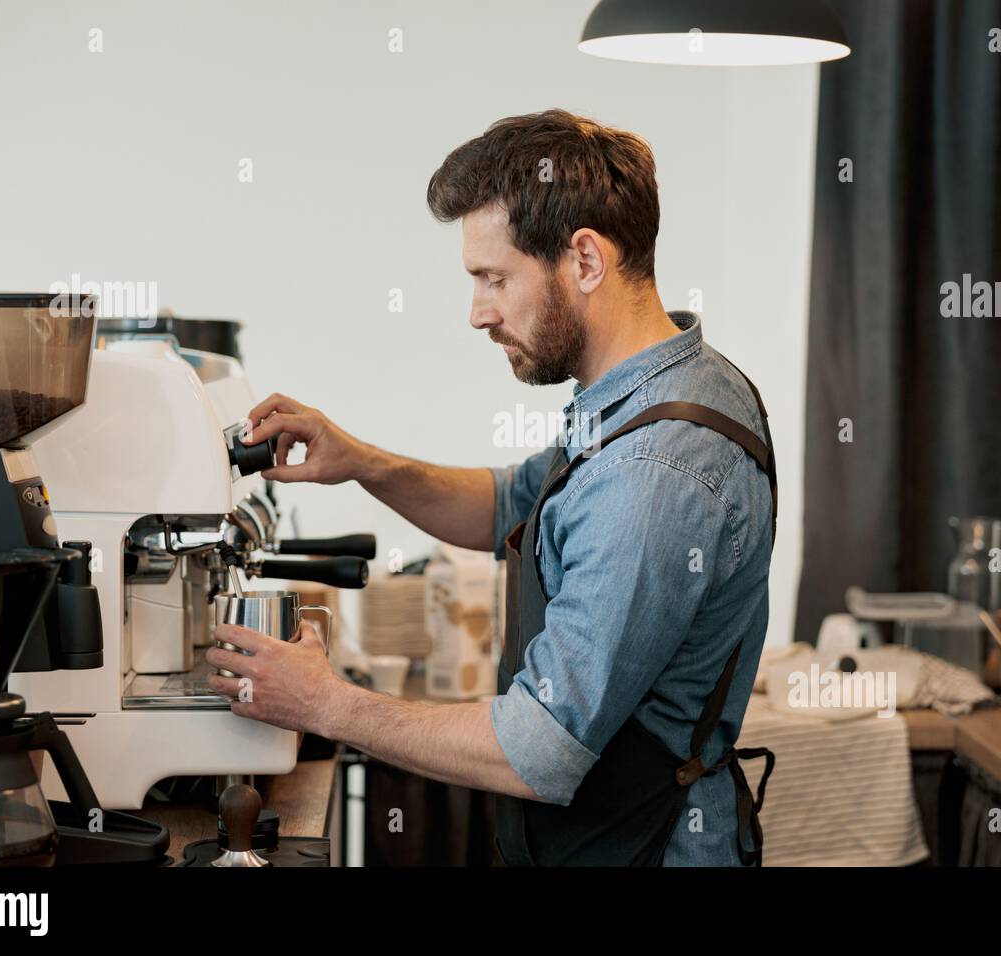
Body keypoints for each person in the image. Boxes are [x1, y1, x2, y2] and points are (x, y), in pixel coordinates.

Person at [206, 109, 777, 866]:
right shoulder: (662, 386)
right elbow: (512, 503)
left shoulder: (653, 474)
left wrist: (326, 703)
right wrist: (361, 461)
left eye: (493, 278)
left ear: (584, 260)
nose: (477, 313)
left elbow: (537, 750)